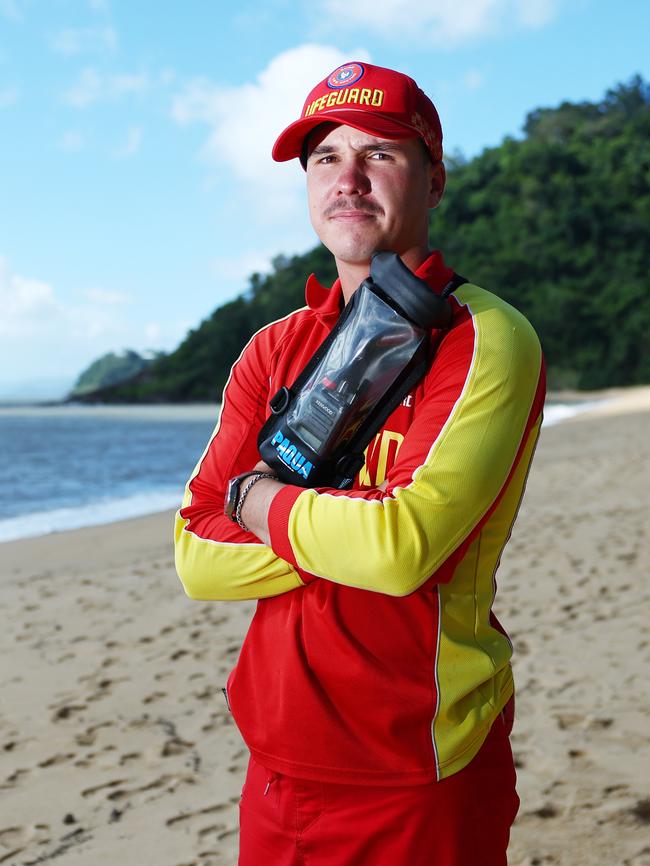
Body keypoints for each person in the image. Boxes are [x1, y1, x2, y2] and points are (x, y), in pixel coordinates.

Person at [175, 61, 546, 866]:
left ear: (433, 178)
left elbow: (400, 548)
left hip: (417, 769)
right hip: (274, 769)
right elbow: (196, 559)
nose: (347, 179)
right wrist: (342, 522)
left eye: (379, 153)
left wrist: (253, 498)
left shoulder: (484, 336)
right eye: (324, 158)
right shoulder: (272, 348)